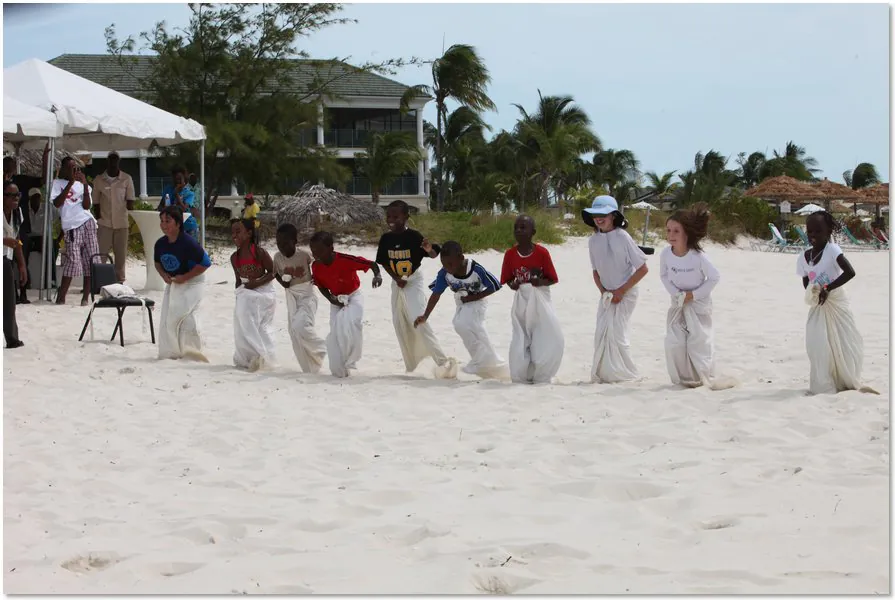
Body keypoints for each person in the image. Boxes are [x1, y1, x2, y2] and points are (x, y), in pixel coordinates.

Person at [796, 211, 877, 395]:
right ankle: (824, 383)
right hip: (818, 305)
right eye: (810, 231)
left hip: (836, 301)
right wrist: (813, 292)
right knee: (818, 344)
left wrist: (828, 288)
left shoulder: (832, 250)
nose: (813, 235)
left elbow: (850, 272)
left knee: (843, 342)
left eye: (818, 231)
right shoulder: (803, 257)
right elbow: (806, 280)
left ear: (828, 231)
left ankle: (844, 379)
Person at [375, 200, 456, 378]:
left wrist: (428, 249)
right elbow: (384, 262)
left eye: (396, 216)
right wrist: (396, 278)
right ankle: (412, 364)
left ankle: (442, 362)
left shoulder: (413, 236)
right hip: (397, 283)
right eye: (389, 216)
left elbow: (432, 254)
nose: (391, 220)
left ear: (406, 217)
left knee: (418, 318)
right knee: (399, 323)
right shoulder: (386, 239)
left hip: (413, 281)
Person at [660, 204, 732, 390]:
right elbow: (664, 276)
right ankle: (683, 377)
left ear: (687, 233)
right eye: (668, 230)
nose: (671, 235)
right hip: (677, 303)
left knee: (698, 341)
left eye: (676, 231)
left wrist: (693, 295)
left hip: (699, 304)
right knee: (675, 341)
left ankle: (702, 376)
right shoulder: (665, 254)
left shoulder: (698, 257)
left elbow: (714, 277)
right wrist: (676, 294)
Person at [414, 241, 507, 380]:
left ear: (461, 258)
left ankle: (483, 360)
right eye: (444, 264)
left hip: (478, 302)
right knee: (461, 325)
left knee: (469, 325)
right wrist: (425, 315)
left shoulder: (475, 269)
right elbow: (436, 294)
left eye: (450, 264)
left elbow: (495, 285)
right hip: (462, 303)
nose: (448, 268)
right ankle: (486, 361)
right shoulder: (445, 274)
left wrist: (473, 297)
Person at [582, 195, 648, 383]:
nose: (599, 218)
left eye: (603, 214)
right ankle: (605, 373)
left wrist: (621, 291)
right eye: (595, 215)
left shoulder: (623, 237)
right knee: (601, 334)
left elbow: (643, 269)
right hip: (606, 294)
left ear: (613, 216)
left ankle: (625, 374)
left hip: (627, 293)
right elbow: (595, 271)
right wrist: (603, 291)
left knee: (617, 334)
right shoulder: (593, 241)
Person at [500, 215, 564, 384]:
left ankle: (542, 374)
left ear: (533, 232)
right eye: (516, 228)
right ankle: (522, 374)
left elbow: (552, 278)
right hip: (521, 300)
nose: (518, 231)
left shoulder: (542, 253)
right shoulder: (510, 255)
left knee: (543, 335)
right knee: (520, 337)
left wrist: (539, 282)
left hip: (539, 299)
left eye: (523, 228)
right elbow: (507, 279)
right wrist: (513, 284)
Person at [309, 231, 383, 378]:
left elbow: (371, 264)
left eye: (320, 250)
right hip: (336, 301)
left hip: (354, 297)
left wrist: (377, 275)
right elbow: (320, 285)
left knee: (349, 324)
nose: (316, 254)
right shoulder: (316, 266)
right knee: (335, 333)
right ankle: (340, 370)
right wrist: (331, 299)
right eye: (313, 251)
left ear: (331, 248)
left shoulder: (345, 260)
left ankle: (351, 359)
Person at [154, 205, 211, 361]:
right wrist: (163, 275)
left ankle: (192, 352)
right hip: (174, 283)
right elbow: (157, 262)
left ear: (178, 223)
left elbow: (205, 263)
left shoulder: (188, 243)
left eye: (167, 221)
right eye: (161, 221)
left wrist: (185, 277)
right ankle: (171, 352)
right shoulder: (160, 244)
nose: (163, 225)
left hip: (193, 282)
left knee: (188, 319)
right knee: (169, 318)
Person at [273, 223, 326, 373]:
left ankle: (322, 348)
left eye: (285, 243)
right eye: (278, 243)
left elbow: (318, 264)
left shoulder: (304, 255)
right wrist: (283, 283)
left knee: (301, 325)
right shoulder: (277, 257)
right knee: (294, 331)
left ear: (295, 241)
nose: (281, 247)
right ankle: (309, 367)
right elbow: (275, 273)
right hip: (291, 295)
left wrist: (317, 277)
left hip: (307, 294)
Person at [230, 218, 277, 371]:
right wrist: (239, 294)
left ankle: (262, 356)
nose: (234, 235)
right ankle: (248, 357)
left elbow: (273, 272)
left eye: (238, 231)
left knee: (261, 326)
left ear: (249, 233)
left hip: (263, 291)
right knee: (241, 321)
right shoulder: (234, 258)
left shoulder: (259, 253)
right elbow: (238, 281)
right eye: (232, 232)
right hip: (246, 292)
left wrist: (256, 283)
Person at [52, 156, 99, 306]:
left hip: (87, 222)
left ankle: (85, 297)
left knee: (90, 260)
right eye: (70, 168)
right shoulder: (57, 183)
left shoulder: (82, 185)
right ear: (63, 169)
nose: (73, 171)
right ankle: (61, 297)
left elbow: (86, 206)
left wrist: (84, 185)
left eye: (75, 168)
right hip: (71, 225)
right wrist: (70, 183)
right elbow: (57, 203)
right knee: (73, 261)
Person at [4, 148, 49, 303]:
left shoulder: (21, 180)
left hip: (20, 226)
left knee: (22, 257)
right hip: (4, 225)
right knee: (8, 262)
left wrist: (45, 160)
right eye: (6, 166)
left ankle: (22, 293)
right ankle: (13, 294)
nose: (15, 197)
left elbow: (42, 181)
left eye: (17, 195)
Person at [92, 151, 135, 283]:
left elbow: (130, 201)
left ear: (119, 161)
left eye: (115, 160)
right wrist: (99, 218)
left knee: (120, 256)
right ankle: (99, 281)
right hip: (104, 223)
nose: (113, 163)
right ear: (107, 161)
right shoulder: (99, 180)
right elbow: (96, 203)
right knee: (101, 254)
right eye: (111, 160)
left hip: (121, 224)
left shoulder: (127, 178)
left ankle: (119, 281)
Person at [3, 182, 27, 348]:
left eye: (17, 195)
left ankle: (12, 338)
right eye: (11, 195)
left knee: (9, 301)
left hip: (7, 259)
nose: (15, 198)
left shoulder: (18, 213)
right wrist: (4, 241)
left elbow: (17, 241)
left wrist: (22, 265)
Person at [27, 187, 59, 289]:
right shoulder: (25, 209)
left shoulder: (48, 207)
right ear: (30, 198)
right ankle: (26, 279)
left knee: (53, 244)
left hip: (44, 237)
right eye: (34, 197)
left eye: (38, 197)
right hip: (30, 238)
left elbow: (61, 217)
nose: (37, 199)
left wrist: (60, 237)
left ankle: (51, 279)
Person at [159, 166, 199, 241]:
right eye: (175, 179)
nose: (177, 181)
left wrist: (176, 194)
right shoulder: (168, 189)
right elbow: (161, 205)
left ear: (184, 180)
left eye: (180, 179)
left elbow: (184, 209)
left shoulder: (189, 193)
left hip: (188, 227)